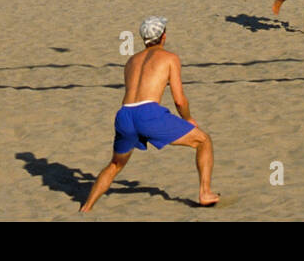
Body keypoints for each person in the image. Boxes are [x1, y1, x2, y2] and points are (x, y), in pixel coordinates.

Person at [80, 16, 219, 211]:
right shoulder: (170, 58)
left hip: (125, 115)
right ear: (163, 36)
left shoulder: (131, 61)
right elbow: (179, 100)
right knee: (203, 141)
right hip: (148, 113)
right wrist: (187, 119)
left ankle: (86, 207)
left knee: (115, 165)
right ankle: (205, 192)